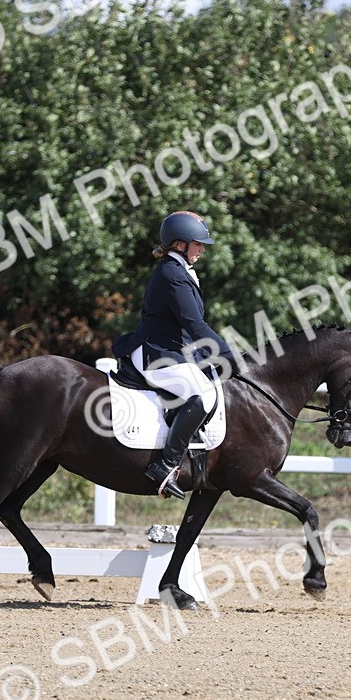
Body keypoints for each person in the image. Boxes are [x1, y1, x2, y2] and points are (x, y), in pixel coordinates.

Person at [112, 211, 239, 499]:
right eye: (198, 243)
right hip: (156, 354)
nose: (202, 249)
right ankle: (164, 466)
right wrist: (228, 354)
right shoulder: (172, 274)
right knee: (203, 396)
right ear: (180, 244)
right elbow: (195, 325)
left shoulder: (178, 269)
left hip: (171, 349)